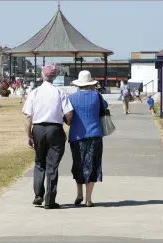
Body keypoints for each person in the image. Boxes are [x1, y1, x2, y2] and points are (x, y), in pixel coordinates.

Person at [22, 65, 73, 210]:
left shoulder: (35, 92)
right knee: (52, 165)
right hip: (55, 129)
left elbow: (28, 117)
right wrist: (68, 122)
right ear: (55, 77)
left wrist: (29, 135)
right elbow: (69, 114)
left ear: (42, 76)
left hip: (38, 128)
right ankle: (50, 199)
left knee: (39, 162)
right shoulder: (60, 92)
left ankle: (38, 194)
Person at [68, 70, 108, 207]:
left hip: (76, 136)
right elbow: (105, 107)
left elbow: (67, 115)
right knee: (92, 165)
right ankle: (88, 198)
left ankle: (79, 192)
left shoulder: (71, 98)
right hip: (94, 134)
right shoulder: (97, 96)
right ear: (91, 83)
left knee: (78, 164)